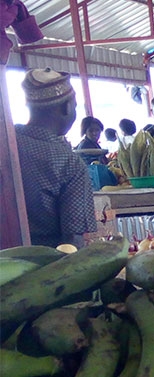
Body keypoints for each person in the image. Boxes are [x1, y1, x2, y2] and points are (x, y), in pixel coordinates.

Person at [14, 68, 97, 248]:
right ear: (67, 107)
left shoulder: (6, 142)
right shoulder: (69, 163)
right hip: (41, 267)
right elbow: (73, 241)